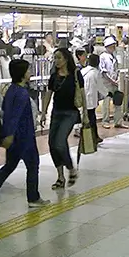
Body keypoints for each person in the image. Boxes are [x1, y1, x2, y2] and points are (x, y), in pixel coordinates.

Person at [0, 60, 50, 209]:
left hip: (16, 136)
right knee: (33, 165)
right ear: (22, 73)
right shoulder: (22, 94)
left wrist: (8, 133)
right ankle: (33, 197)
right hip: (24, 136)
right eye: (28, 70)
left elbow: (6, 113)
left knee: (10, 165)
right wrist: (11, 134)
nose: (30, 72)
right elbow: (15, 116)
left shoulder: (11, 90)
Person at [41, 48, 88, 189]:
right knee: (52, 144)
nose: (56, 61)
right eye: (55, 58)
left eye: (59, 58)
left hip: (71, 113)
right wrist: (43, 112)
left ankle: (71, 169)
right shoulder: (54, 76)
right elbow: (48, 94)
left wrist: (85, 113)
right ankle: (60, 177)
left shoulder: (76, 74)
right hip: (56, 112)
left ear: (66, 59)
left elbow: (82, 95)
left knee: (60, 142)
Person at [99, 36, 128, 129]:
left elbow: (117, 69)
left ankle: (118, 121)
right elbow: (103, 72)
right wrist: (112, 80)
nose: (113, 48)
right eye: (112, 46)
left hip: (115, 83)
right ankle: (105, 121)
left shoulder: (114, 56)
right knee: (106, 103)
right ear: (107, 46)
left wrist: (117, 80)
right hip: (106, 84)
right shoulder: (103, 56)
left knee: (118, 102)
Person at [81, 54, 109, 145]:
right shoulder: (96, 73)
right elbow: (100, 87)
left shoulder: (83, 71)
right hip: (90, 100)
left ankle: (92, 136)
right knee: (91, 118)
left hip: (82, 98)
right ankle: (92, 137)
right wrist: (108, 94)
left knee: (86, 117)